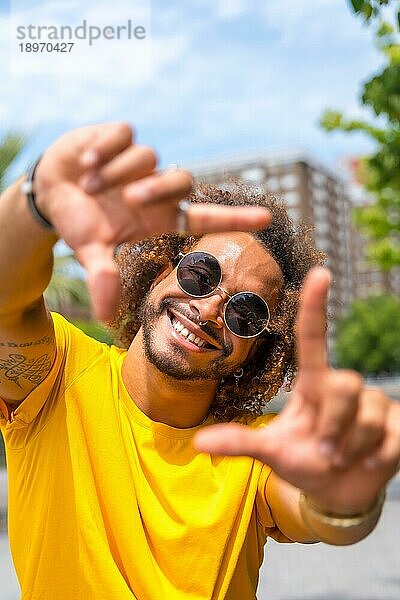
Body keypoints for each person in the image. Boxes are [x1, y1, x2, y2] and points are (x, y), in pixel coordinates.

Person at [0, 122, 399, 600]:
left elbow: (314, 510)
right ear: (161, 267)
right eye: (199, 273)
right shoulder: (57, 377)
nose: (210, 309)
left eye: (246, 312)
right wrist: (36, 205)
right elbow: (8, 299)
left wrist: (345, 500)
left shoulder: (255, 449)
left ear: (259, 350)